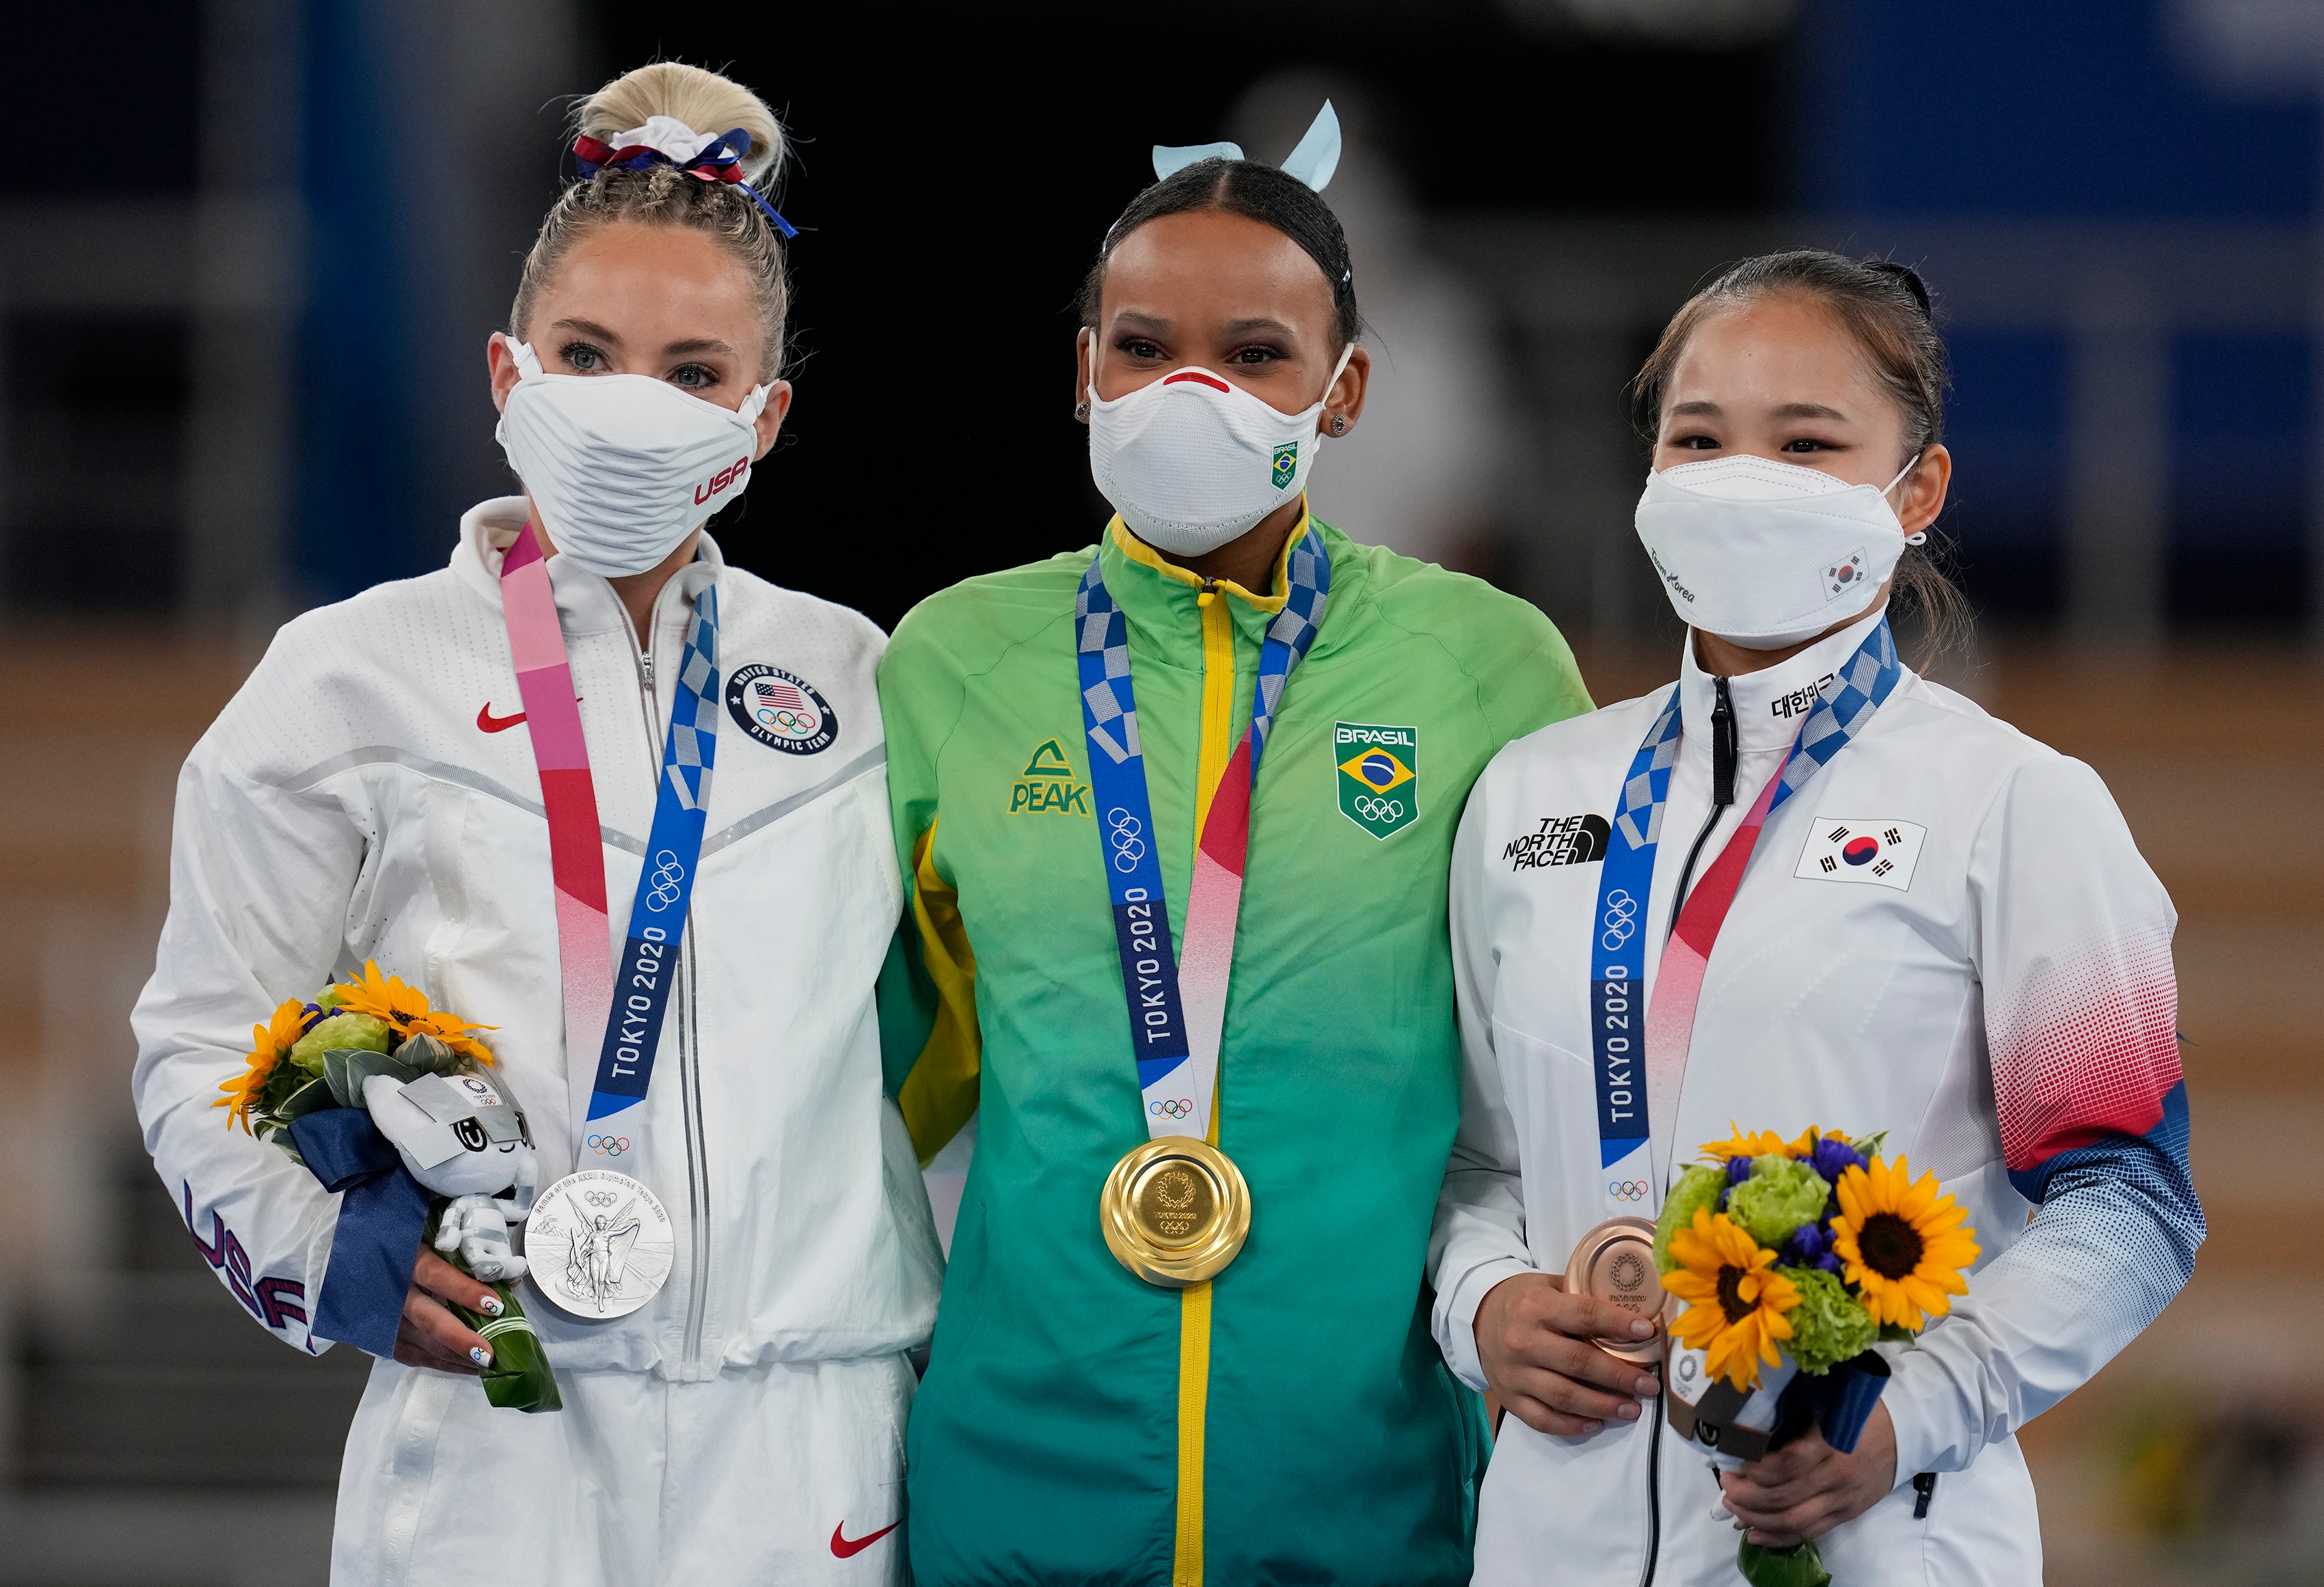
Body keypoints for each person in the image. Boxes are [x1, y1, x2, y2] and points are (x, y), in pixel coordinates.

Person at [131, 62, 938, 1586]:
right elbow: (194, 1044)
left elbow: (949, 1050)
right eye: (587, 352)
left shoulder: (864, 679)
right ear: (507, 377)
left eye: (693, 373)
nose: (635, 403)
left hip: (817, 1431)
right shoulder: (346, 678)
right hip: (498, 1414)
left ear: (764, 418)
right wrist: (324, 1265)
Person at [877, 105, 1594, 1586]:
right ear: (1082, 371)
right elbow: (874, 1087)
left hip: (1371, 1504)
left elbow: (1561, 1080)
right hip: (1014, 1496)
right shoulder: (954, 659)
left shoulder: (1488, 664)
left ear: (1342, 393)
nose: (1187, 387)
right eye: (1140, 347)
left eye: (1254, 353)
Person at [1430, 250, 2204, 1584]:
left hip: (1874, 1534)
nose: (1743, 479)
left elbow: (2126, 1199)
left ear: (1916, 490)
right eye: (1697, 437)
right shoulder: (1529, 794)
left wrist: (1907, 1417)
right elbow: (1470, 1161)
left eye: (1804, 441)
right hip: (1549, 1535)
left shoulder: (2011, 805)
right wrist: (1480, 1306)